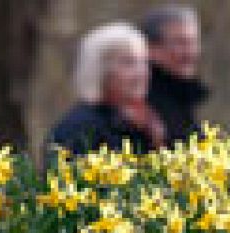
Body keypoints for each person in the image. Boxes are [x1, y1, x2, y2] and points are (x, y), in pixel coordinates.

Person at [49, 22, 165, 155]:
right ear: (101, 70)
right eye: (128, 63)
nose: (142, 73)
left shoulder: (141, 123)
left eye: (144, 62)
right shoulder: (79, 129)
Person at [141, 5, 209, 145]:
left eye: (193, 42)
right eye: (180, 43)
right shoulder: (141, 104)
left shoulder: (181, 99)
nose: (190, 53)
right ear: (151, 48)